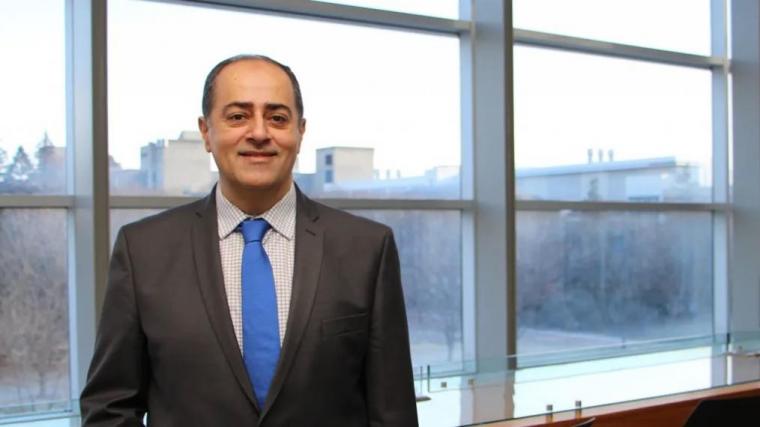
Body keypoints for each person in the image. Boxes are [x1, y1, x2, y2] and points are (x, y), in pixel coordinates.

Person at [80, 54, 419, 426]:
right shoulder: (142, 251)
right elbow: (109, 409)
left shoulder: (366, 249)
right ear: (206, 132)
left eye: (277, 118)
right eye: (238, 116)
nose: (259, 133)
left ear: (300, 132)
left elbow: (393, 412)